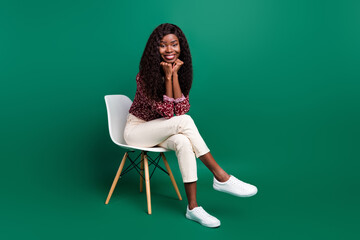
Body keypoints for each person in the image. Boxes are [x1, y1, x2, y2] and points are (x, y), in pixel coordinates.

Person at [123, 23, 258, 228]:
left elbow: (181, 108)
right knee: (184, 123)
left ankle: (193, 208)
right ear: (155, 50)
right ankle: (221, 176)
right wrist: (168, 77)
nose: (169, 50)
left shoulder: (181, 71)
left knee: (184, 142)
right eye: (163, 45)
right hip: (137, 131)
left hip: (162, 128)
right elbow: (171, 114)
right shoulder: (144, 77)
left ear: (181, 46)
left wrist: (175, 75)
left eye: (174, 44)